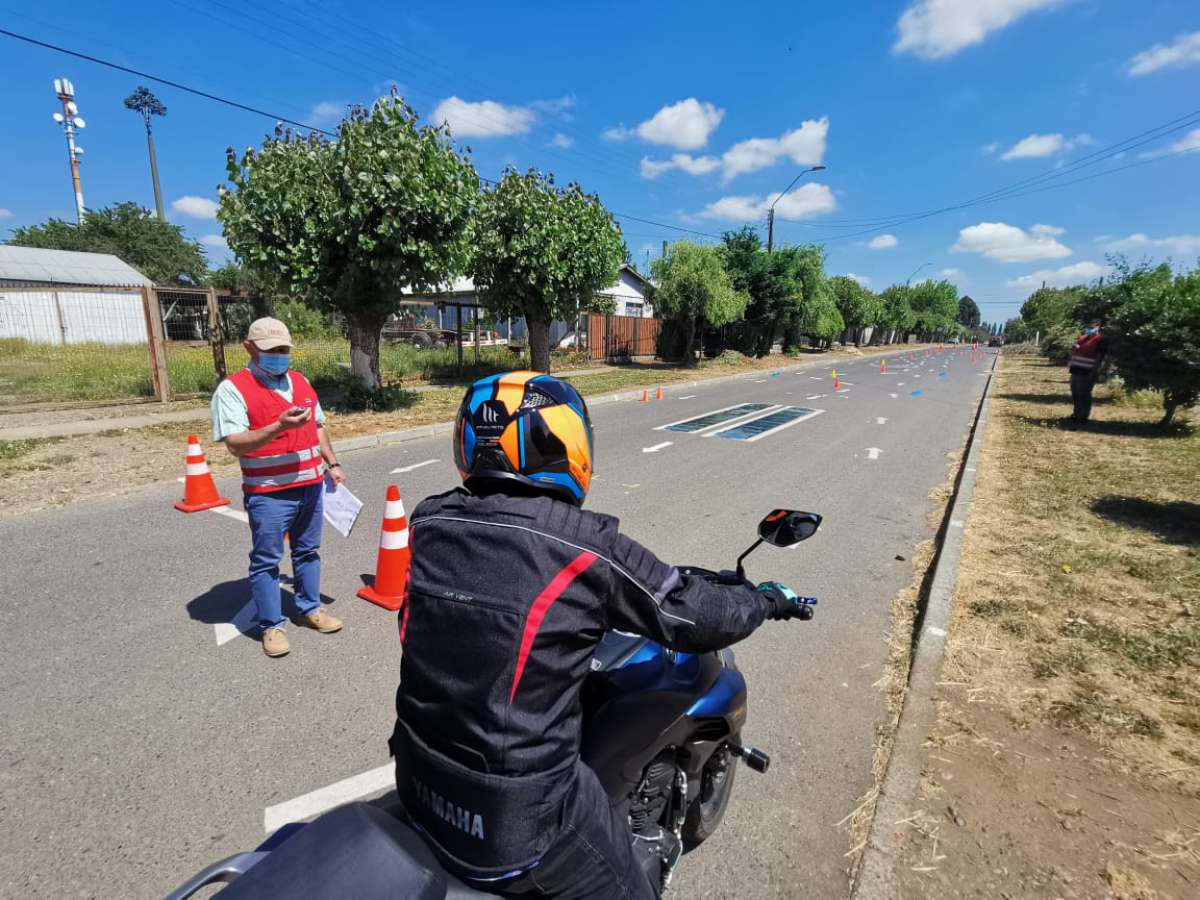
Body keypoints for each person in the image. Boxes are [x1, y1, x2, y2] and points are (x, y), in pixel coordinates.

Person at [389, 371, 810, 898]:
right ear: (563, 443)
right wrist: (767, 599)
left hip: (417, 779)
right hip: (518, 822)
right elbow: (694, 616)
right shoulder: (583, 546)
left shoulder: (430, 523)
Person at [211, 317, 345, 658]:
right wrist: (277, 427)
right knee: (267, 561)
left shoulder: (300, 382)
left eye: (284, 349)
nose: (279, 355)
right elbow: (236, 444)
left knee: (308, 552)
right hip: (269, 494)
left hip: (311, 487)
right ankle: (272, 625)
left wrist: (332, 463)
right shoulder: (233, 389)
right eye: (271, 350)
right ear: (249, 348)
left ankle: (310, 608)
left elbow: (318, 427)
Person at [1067, 320, 1107, 423]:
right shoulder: (1083, 338)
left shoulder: (1100, 340)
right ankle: (1076, 414)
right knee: (1075, 392)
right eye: (1088, 326)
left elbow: (1099, 357)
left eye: (1092, 326)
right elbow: (1076, 350)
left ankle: (1083, 416)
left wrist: (1094, 371)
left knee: (1083, 393)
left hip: (1088, 371)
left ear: (1098, 327)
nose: (1089, 329)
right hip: (1076, 369)